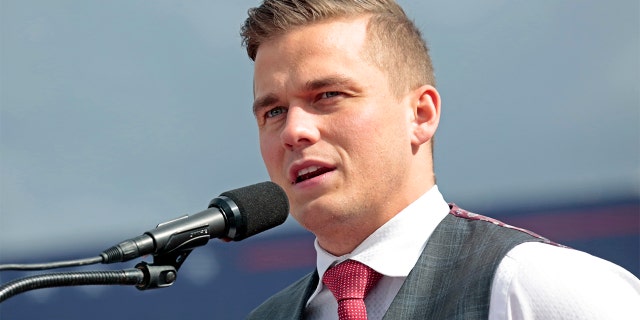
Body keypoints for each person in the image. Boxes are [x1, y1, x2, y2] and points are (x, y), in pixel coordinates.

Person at [239, 0, 640, 319]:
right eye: (273, 112)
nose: (294, 131)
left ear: (421, 114)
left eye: (327, 96)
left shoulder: (533, 287)